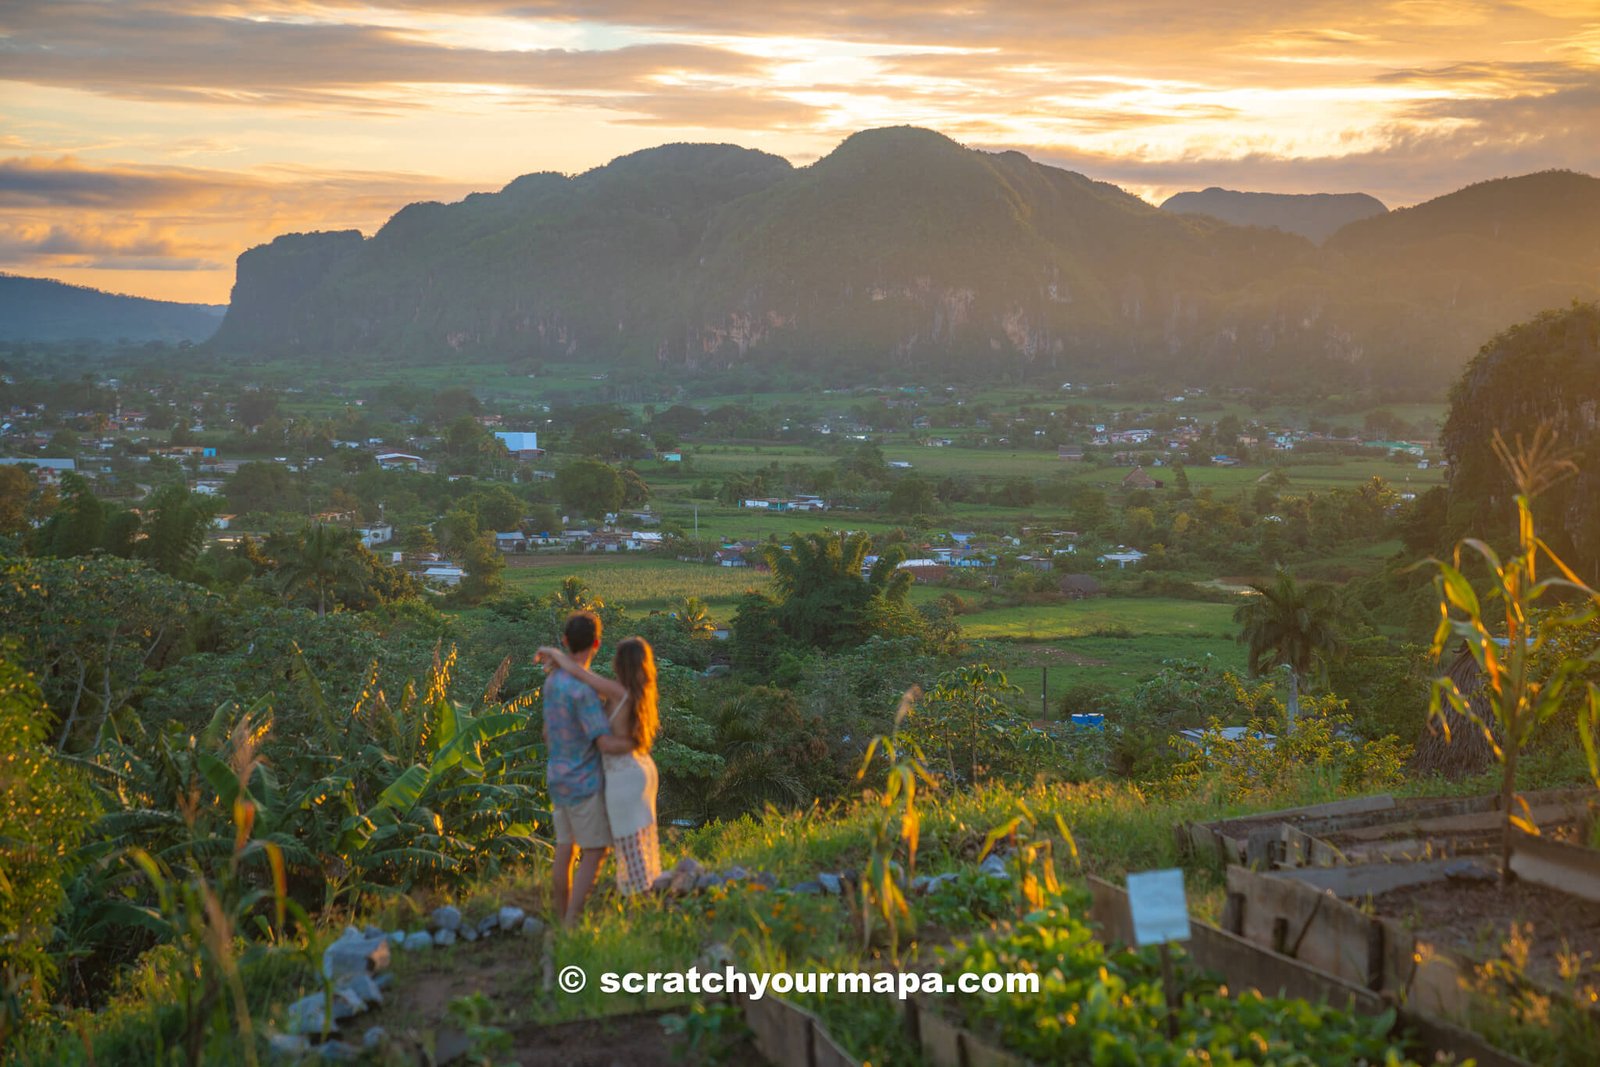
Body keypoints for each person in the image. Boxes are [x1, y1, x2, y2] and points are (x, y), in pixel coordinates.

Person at [536, 635, 661, 896]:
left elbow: (582, 675)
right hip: (642, 769)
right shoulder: (644, 691)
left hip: (622, 775)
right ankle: (648, 900)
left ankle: (641, 904)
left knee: (630, 847)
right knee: (640, 841)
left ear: (619, 664)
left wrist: (555, 654)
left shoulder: (618, 691)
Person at [538, 611, 613, 926]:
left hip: (557, 777)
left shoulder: (553, 680)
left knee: (565, 848)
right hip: (583, 781)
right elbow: (602, 741)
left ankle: (559, 916)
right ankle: (571, 923)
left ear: (566, 641)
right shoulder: (584, 692)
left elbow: (546, 732)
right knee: (595, 851)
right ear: (597, 643)